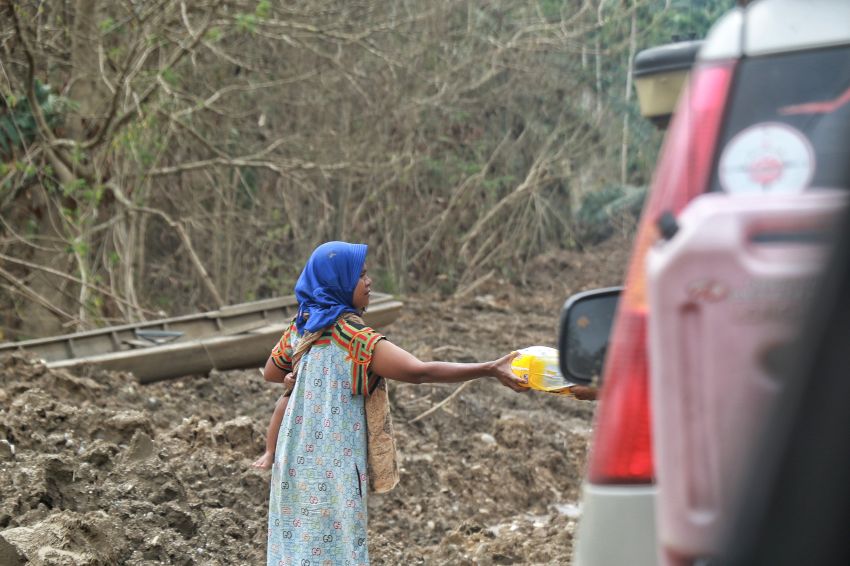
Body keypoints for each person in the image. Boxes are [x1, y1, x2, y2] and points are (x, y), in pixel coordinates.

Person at [262, 241, 527, 566]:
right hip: (333, 469)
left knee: (296, 545)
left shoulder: (302, 325)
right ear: (339, 283)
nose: (369, 281)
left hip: (292, 461)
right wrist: (488, 368)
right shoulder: (353, 337)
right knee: (335, 550)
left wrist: (296, 378)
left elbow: (271, 372)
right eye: (360, 276)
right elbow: (419, 371)